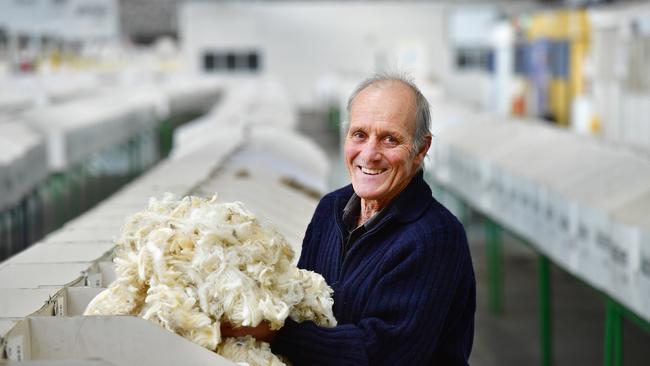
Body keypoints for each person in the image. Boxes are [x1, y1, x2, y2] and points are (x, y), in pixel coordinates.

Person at [223, 73, 476, 365]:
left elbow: (385, 354)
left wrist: (274, 332)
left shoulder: (435, 237)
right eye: (359, 134)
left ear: (420, 150)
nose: (369, 154)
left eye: (390, 139)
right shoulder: (330, 209)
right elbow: (304, 300)